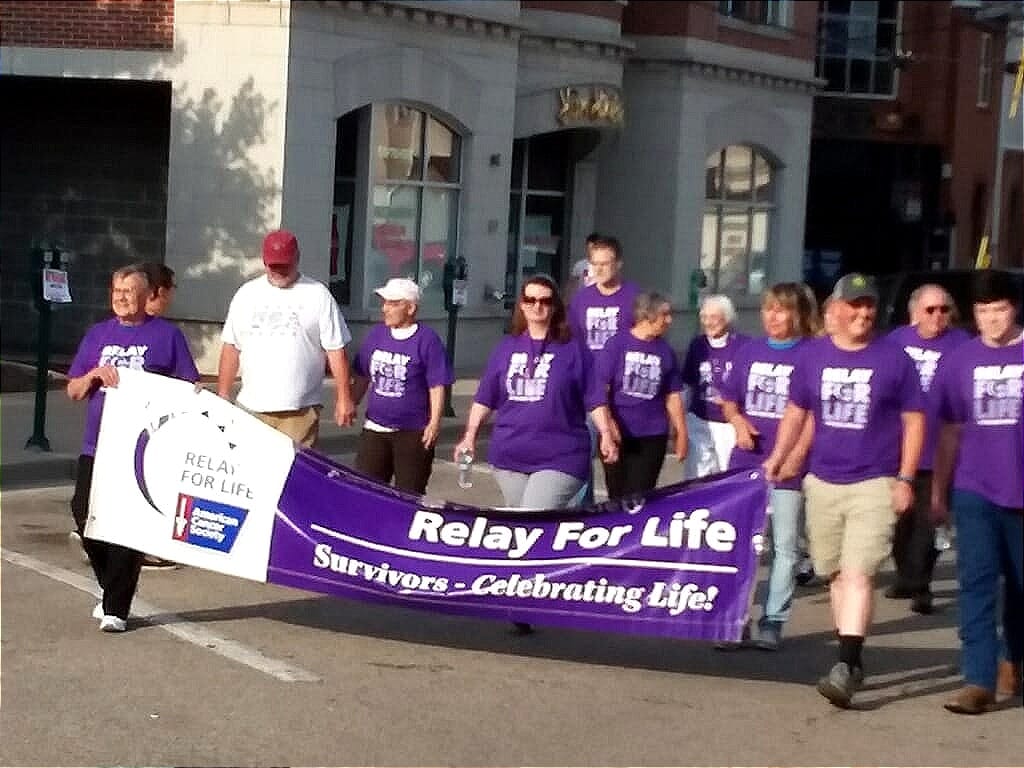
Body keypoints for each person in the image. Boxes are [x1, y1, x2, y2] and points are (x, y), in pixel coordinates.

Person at [764, 273, 924, 708]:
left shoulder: (895, 360)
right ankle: (850, 659)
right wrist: (779, 457)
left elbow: (914, 422)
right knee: (835, 573)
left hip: (874, 481)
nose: (863, 312)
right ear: (835, 309)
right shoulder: (813, 357)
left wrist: (906, 478)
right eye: (854, 305)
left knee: (858, 573)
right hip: (822, 481)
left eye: (869, 305)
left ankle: (845, 661)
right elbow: (797, 412)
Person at [66, 265, 200, 632]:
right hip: (97, 444)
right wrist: (95, 374)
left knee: (125, 525)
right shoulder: (97, 335)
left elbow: (187, 386)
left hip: (138, 448)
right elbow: (74, 390)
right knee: (83, 514)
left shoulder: (166, 336)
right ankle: (111, 586)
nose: (121, 297)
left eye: (129, 291)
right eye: (116, 290)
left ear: (146, 297)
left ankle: (116, 610)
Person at [931, 269, 1023, 715]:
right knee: (977, 584)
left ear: (1015, 308)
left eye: (999, 309)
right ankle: (977, 680)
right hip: (976, 488)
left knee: (1021, 588)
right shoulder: (960, 361)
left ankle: (1014, 658)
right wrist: (939, 491)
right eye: (983, 311)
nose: (991, 319)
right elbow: (950, 429)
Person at [719, 282, 820, 650]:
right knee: (740, 544)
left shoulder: (812, 353)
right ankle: (734, 619)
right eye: (768, 309)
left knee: (786, 547)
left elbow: (814, 414)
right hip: (747, 460)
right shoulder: (749, 350)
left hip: (791, 466)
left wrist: (794, 455)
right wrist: (738, 422)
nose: (773, 317)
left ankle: (773, 621)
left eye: (781, 310)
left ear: (798, 314)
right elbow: (728, 398)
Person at [217, 229, 356, 446]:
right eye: (274, 266)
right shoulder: (247, 294)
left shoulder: (318, 295)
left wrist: (344, 398)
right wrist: (223, 394)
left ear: (297, 259)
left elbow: (335, 350)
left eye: (285, 265)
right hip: (251, 407)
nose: (279, 271)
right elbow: (231, 347)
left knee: (291, 473)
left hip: (299, 410)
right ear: (264, 261)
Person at [886, 284, 971, 614]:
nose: (938, 316)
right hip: (900, 448)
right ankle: (907, 576)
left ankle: (921, 585)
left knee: (929, 519)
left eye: (944, 310)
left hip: (941, 447)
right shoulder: (896, 342)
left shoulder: (961, 345)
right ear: (914, 313)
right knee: (899, 524)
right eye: (930, 310)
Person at [351, 278, 453, 495]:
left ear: (410, 308)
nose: (385, 308)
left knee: (409, 494)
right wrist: (350, 403)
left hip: (412, 432)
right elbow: (362, 375)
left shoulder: (427, 340)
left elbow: (437, 385)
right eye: (385, 303)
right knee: (366, 490)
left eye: (392, 303)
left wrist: (434, 422)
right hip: (376, 428)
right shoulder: (377, 335)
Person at [591, 292, 687, 500]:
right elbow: (601, 388)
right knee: (617, 494)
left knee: (640, 495)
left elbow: (673, 395)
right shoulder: (616, 345)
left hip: (652, 434)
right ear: (648, 315)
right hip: (619, 433)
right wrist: (608, 424)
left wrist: (681, 432)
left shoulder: (665, 351)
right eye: (665, 315)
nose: (669, 320)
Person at [568, 234, 640, 503]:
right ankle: (584, 511)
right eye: (594, 264)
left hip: (622, 389)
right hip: (589, 386)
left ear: (618, 264)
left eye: (605, 264)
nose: (598, 269)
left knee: (617, 454)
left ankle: (621, 509)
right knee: (582, 448)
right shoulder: (582, 299)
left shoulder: (634, 297)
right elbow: (573, 341)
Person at [681, 294, 748, 479]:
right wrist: (681, 419)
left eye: (714, 317)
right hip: (699, 417)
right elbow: (688, 383)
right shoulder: (697, 345)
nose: (708, 322)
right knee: (696, 474)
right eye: (704, 317)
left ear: (727, 318)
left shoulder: (744, 345)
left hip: (728, 422)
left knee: (728, 473)